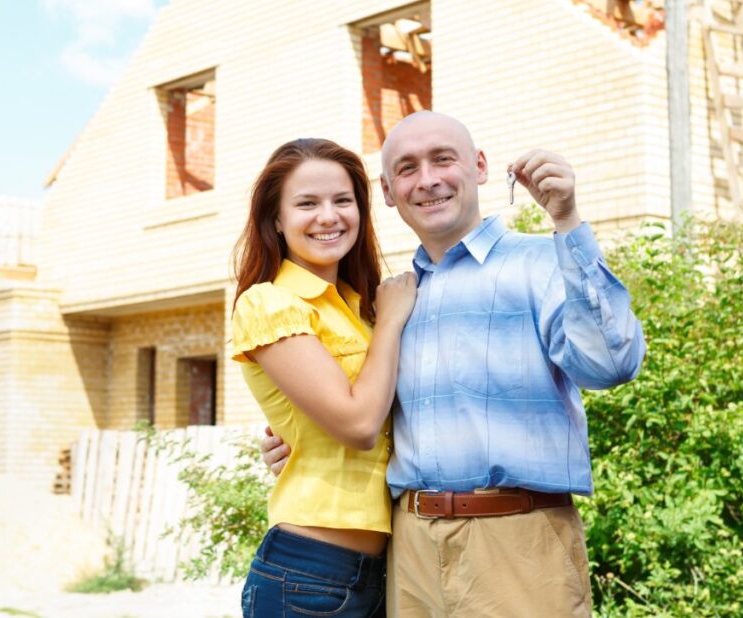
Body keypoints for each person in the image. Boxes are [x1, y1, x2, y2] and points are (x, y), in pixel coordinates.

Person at [261, 112, 646, 617]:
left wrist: (567, 221)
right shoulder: (391, 302)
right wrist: (303, 441)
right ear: (388, 192)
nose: (428, 179)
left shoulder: (543, 264)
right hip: (409, 549)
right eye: (407, 168)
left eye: (443, 159)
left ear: (480, 166)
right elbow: (362, 414)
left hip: (519, 543)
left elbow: (610, 365)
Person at [231, 138, 417, 618]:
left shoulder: (363, 310)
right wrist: (394, 321)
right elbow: (357, 426)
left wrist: (293, 439)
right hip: (308, 576)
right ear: (275, 218)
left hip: (384, 569)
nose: (328, 216)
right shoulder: (269, 304)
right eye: (307, 203)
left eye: (342, 200)